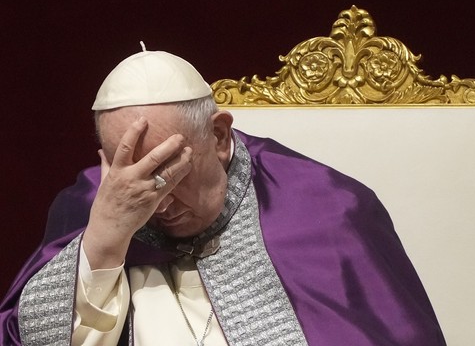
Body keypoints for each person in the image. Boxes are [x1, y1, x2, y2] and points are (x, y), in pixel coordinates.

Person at [0, 46, 446, 345]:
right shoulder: (89, 205)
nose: (157, 202)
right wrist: (105, 239)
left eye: (171, 172)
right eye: (133, 173)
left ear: (217, 135)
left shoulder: (329, 206)